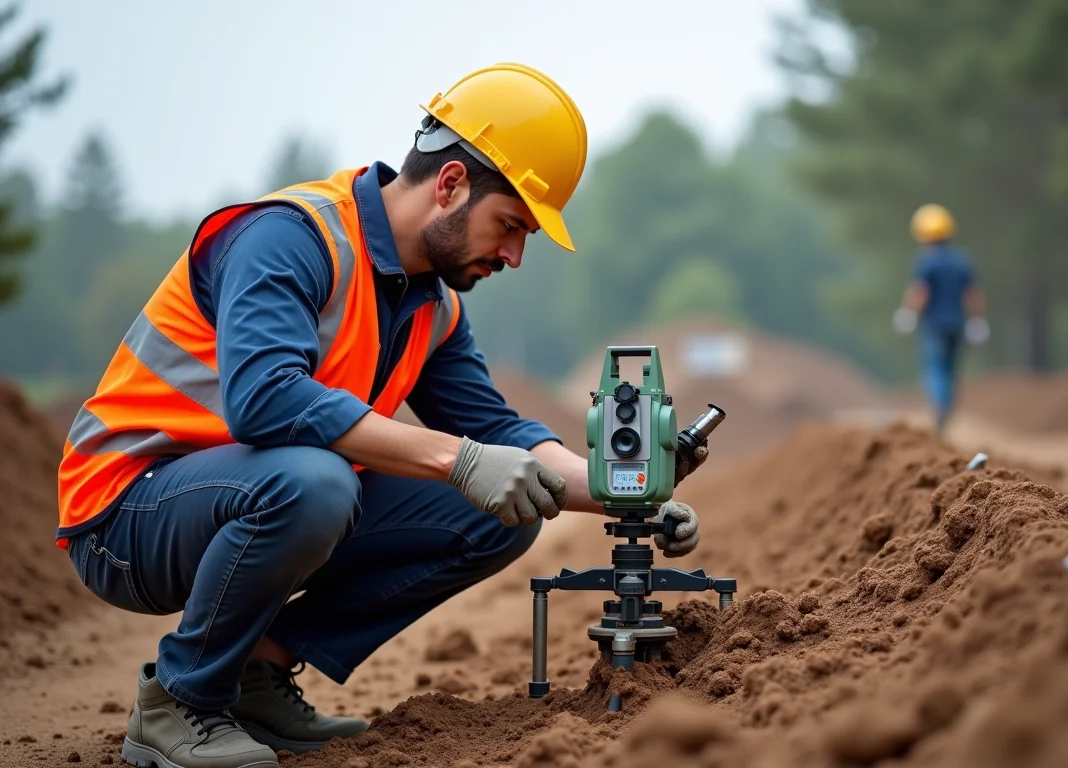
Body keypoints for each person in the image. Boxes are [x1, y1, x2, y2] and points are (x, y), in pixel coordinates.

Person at [55, 63, 704, 768]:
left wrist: (622, 488)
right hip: (126, 513)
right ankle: (179, 702)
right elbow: (264, 399)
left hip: (249, 496)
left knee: (498, 512)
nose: (515, 256)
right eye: (510, 226)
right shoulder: (290, 237)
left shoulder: (434, 305)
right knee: (317, 482)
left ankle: (254, 675)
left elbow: (499, 433)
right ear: (451, 183)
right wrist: (456, 461)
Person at [892, 203, 988, 434]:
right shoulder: (962, 260)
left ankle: (941, 407)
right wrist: (977, 320)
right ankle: (948, 406)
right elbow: (972, 294)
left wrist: (908, 313)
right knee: (951, 369)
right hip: (958, 324)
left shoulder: (926, 262)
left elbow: (920, 293)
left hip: (934, 325)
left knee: (934, 369)